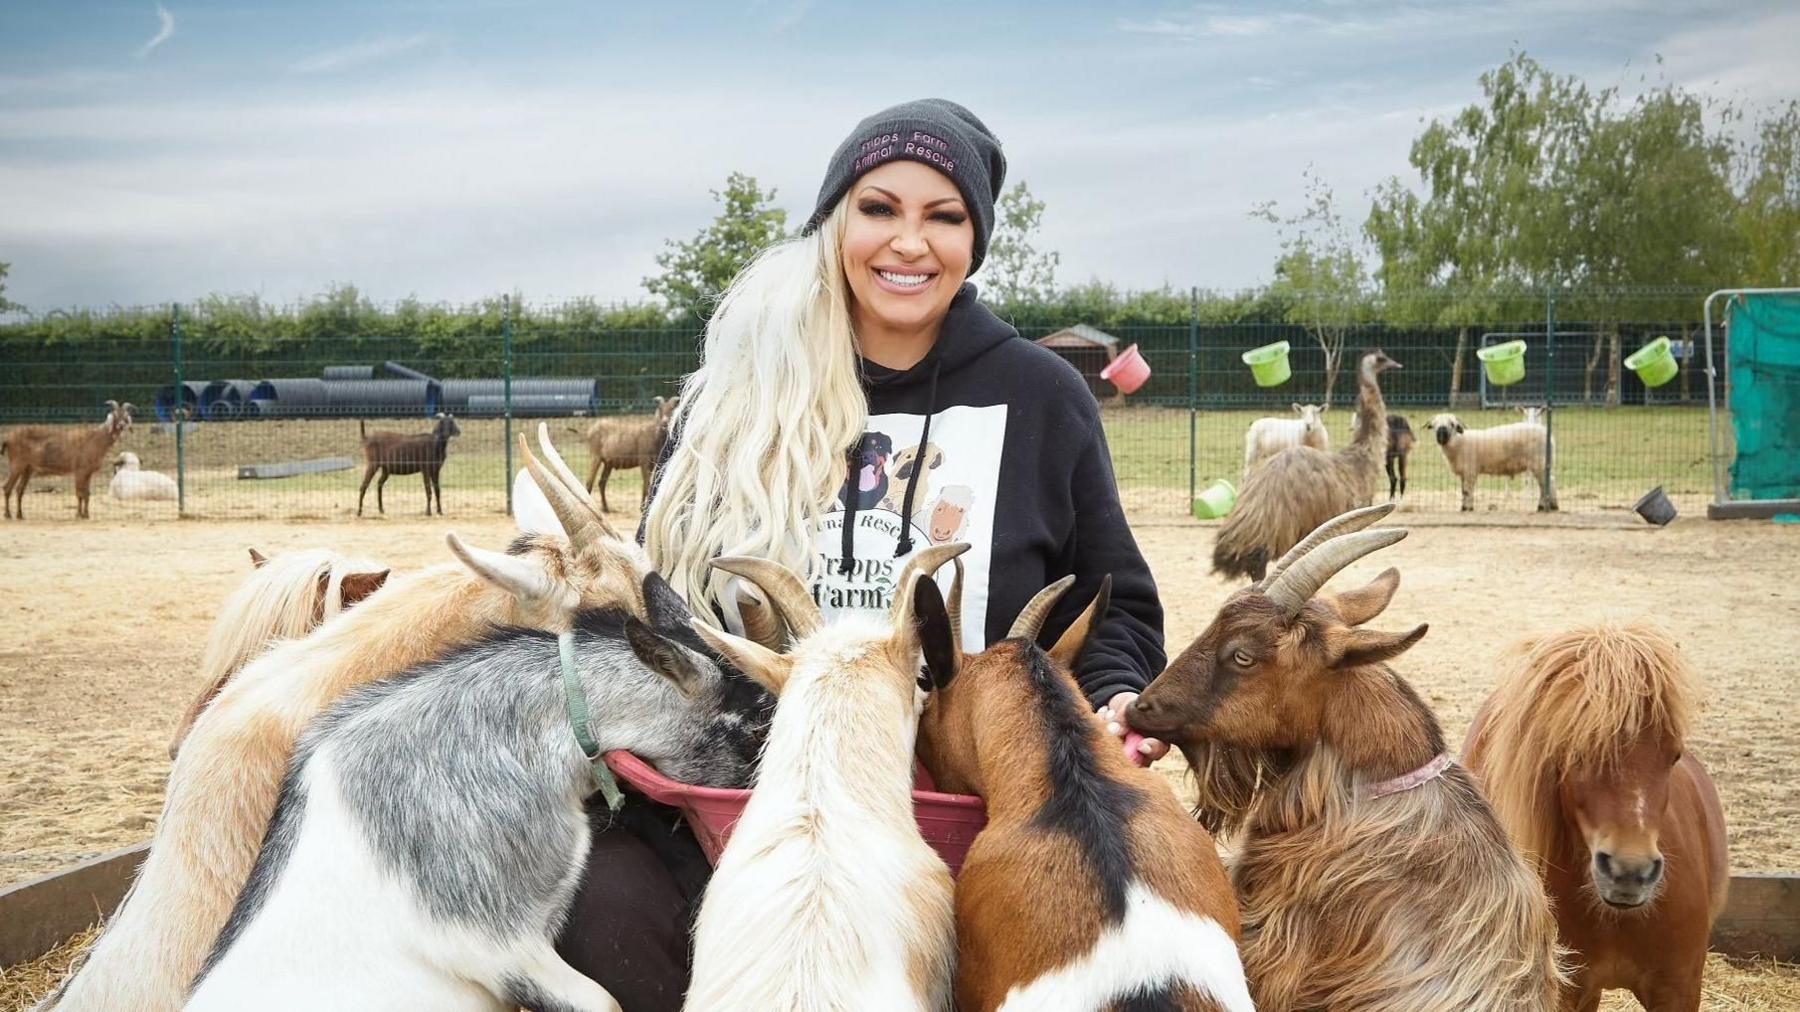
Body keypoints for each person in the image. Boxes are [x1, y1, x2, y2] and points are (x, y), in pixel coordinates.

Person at [563, 98, 1168, 1010]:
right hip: (744, 802)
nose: (908, 243)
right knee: (592, 903)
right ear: (835, 219)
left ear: (976, 238)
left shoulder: (1040, 395)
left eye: (944, 217)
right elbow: (658, 609)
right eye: (879, 208)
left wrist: (1118, 695)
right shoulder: (729, 401)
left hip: (965, 814)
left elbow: (1113, 602)